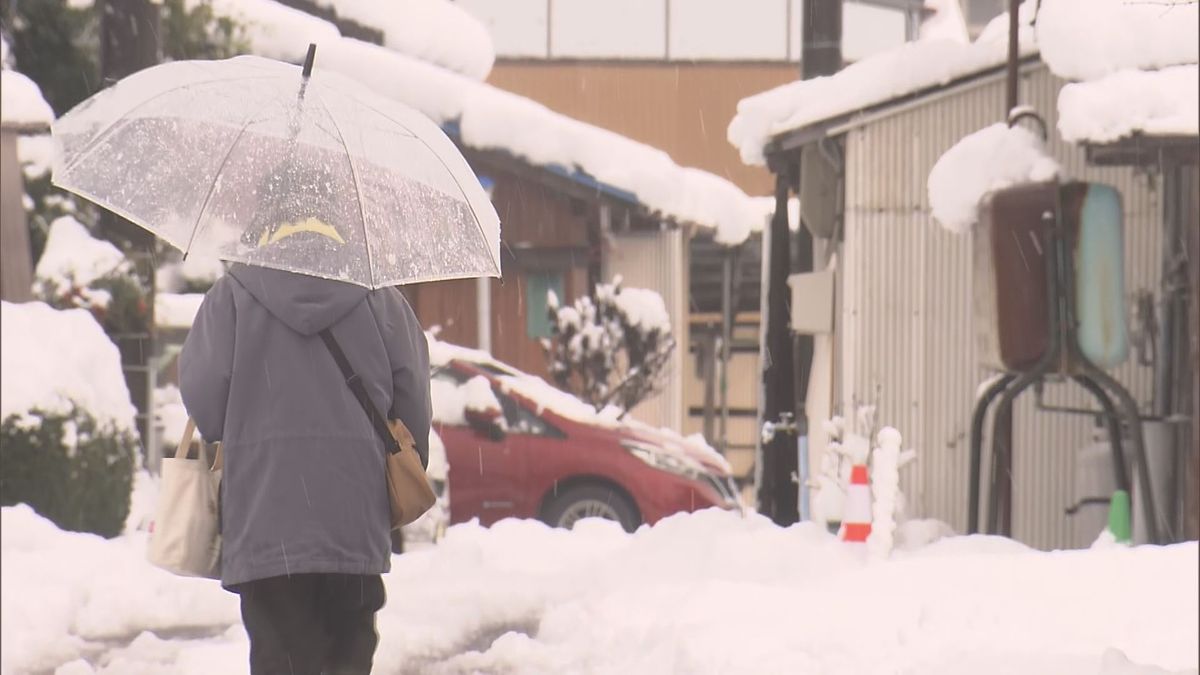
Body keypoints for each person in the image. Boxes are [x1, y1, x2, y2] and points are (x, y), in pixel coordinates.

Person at [178, 242, 431, 674]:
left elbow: (203, 400)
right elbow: (413, 404)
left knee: (281, 657)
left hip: (265, 518)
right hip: (354, 517)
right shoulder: (380, 298)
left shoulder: (232, 297)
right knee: (347, 656)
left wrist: (247, 434)